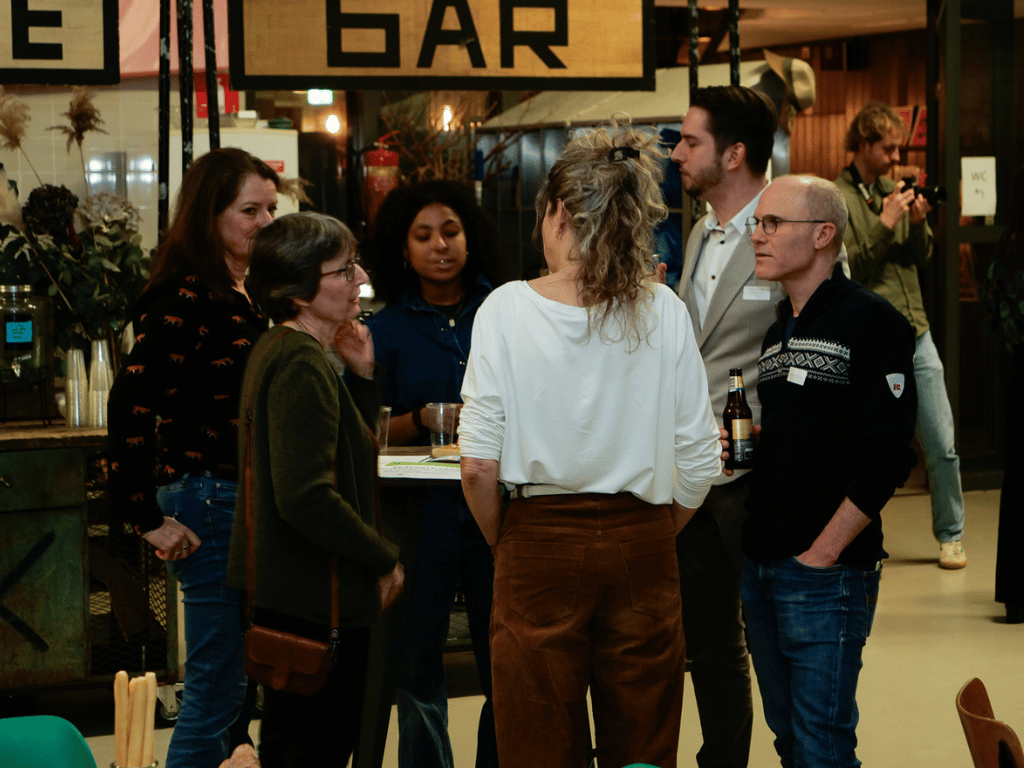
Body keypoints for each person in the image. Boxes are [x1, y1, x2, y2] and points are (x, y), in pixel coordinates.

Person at [459, 120, 723, 768]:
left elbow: (477, 467)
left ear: (556, 213)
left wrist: (508, 539)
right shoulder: (662, 309)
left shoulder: (506, 310)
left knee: (538, 741)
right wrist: (653, 527)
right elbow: (699, 460)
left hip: (537, 541)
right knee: (644, 739)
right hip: (644, 542)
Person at [108, 148, 280, 768]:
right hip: (207, 497)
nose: (265, 223)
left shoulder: (245, 292)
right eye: (249, 211)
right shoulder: (185, 292)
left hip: (235, 496)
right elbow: (129, 402)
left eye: (271, 209)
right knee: (216, 686)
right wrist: (143, 517)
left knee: (233, 689)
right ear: (210, 216)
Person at [742, 175, 917, 768]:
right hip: (763, 566)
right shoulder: (777, 332)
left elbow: (889, 454)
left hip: (825, 574)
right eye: (757, 224)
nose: (757, 236)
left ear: (823, 235)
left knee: (822, 749)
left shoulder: (873, 322)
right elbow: (812, 432)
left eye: (772, 224)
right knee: (790, 742)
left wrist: (824, 552)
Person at [227, 212, 404, 764]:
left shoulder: (288, 350)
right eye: (344, 270)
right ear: (301, 292)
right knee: (313, 752)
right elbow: (306, 497)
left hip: (296, 597)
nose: (361, 279)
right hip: (312, 604)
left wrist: (363, 377)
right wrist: (383, 558)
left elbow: (352, 457)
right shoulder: (298, 361)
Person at [362, 180, 501, 768]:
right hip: (421, 513)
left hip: (496, 505)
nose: (440, 245)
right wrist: (421, 418)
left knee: (504, 658)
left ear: (470, 238)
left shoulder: (505, 310)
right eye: (423, 236)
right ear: (403, 248)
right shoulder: (386, 329)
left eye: (450, 232)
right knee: (416, 662)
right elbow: (369, 430)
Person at [668, 84, 783, 768]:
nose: (676, 154)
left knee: (776, 637)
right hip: (697, 474)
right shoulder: (697, 234)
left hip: (763, 475)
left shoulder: (789, 226)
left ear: (734, 154)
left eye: (691, 142)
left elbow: (822, 343)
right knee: (710, 643)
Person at [835, 100, 967, 569]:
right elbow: (851, 268)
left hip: (918, 331)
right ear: (863, 144)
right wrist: (886, 223)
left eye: (898, 149)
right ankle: (855, 539)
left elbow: (921, 258)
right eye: (888, 149)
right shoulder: (839, 199)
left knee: (941, 442)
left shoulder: (895, 190)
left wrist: (917, 223)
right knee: (866, 448)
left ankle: (951, 535)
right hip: (873, 342)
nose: (896, 159)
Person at [985, 163, 1024, 624]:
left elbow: (992, 315)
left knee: (1016, 485)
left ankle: (1015, 594)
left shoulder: (1008, 246)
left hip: (1018, 375)